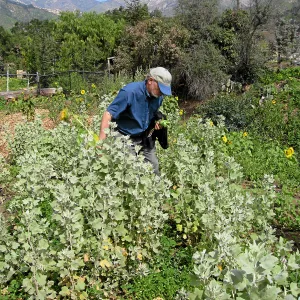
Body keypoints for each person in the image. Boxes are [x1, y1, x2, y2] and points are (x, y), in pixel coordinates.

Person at [99, 66, 172, 175]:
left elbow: (151, 113)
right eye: (160, 89)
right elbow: (108, 114)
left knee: (154, 168)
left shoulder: (158, 97)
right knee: (131, 171)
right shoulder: (130, 92)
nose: (161, 93)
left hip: (144, 136)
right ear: (150, 81)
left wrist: (157, 122)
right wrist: (101, 144)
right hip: (124, 136)